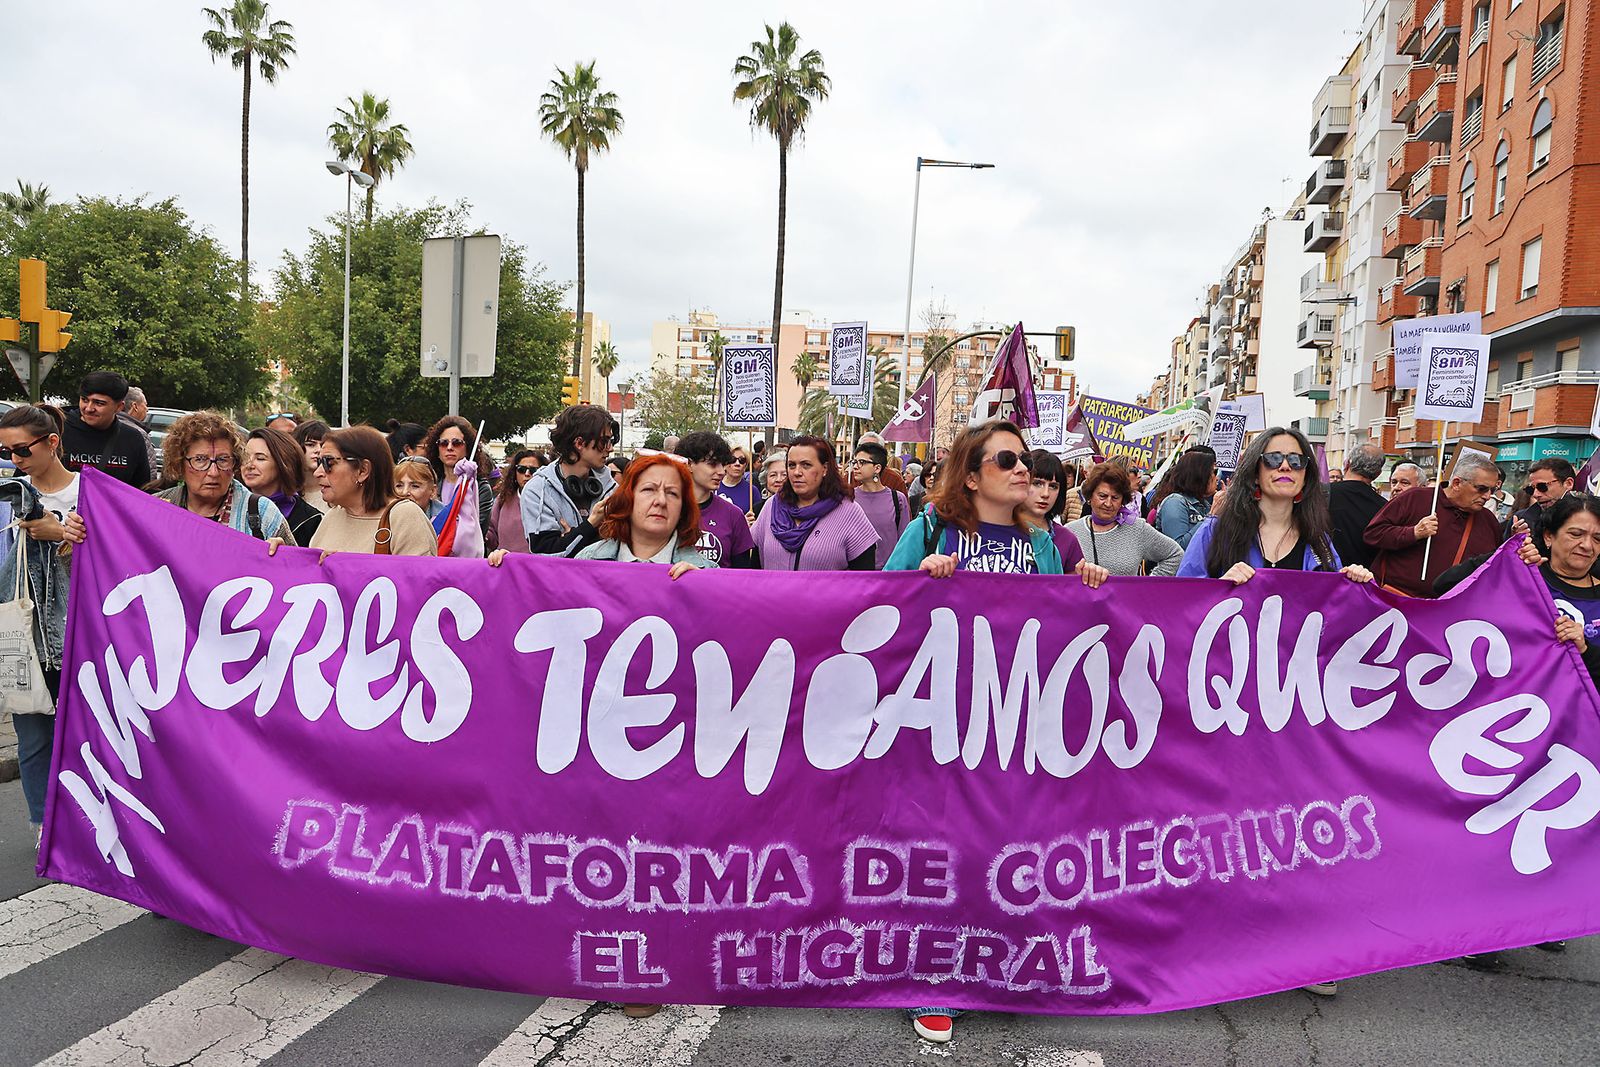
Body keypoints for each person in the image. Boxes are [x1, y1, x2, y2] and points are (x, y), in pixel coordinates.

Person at [881, 421, 1071, 1044]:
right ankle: (936, 977)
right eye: (1007, 460)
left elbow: (1057, 624)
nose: (1024, 470)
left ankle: (1002, 964)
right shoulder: (930, 530)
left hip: (1014, 715)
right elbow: (877, 606)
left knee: (1007, 838)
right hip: (940, 714)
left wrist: (1088, 589)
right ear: (969, 475)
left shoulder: (1041, 542)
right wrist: (919, 578)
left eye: (1025, 460)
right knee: (942, 843)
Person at [0, 404, 85, 846]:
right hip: (23, 638)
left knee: (88, 735)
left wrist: (65, 536)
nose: (15, 459)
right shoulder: (8, 498)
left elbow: (119, 561)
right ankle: (45, 827)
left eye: (21, 450)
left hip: (82, 636)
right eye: (6, 452)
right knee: (32, 740)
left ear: (52, 442)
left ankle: (88, 822)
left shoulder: (92, 493)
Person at [1178, 427, 1374, 588]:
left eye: (1296, 461)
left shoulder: (1318, 540)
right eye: (1273, 459)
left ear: (1305, 476)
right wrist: (1220, 589)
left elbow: (1334, 607)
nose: (1285, 466)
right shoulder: (1215, 532)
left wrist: (1357, 582)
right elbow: (1183, 602)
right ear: (1255, 473)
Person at [272, 426, 436, 557]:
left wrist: (348, 569)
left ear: (363, 470)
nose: (318, 472)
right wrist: (286, 556)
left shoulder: (405, 517)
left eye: (328, 462)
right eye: (319, 462)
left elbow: (417, 584)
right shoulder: (333, 516)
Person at [1364, 453, 1505, 597]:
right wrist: (1413, 533)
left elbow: (1497, 564)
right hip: (1394, 600)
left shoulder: (1488, 521)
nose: (1488, 496)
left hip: (1450, 607)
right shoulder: (1415, 498)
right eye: (1481, 489)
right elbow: (1373, 534)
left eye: (1492, 490)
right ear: (1456, 483)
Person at [562, 454, 716, 583]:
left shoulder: (707, 573)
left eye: (672, 493)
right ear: (628, 499)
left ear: (683, 508)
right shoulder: (587, 561)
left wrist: (704, 589)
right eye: (649, 489)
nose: (661, 501)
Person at [154, 412, 294, 543]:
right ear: (179, 464)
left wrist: (283, 554)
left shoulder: (263, 514)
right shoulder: (157, 508)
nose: (214, 472)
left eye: (223, 460)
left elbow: (295, 560)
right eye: (200, 460)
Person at [750, 435, 878, 571]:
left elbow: (863, 578)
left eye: (806, 465)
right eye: (791, 465)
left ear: (825, 469)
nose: (797, 472)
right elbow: (754, 571)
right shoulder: (771, 507)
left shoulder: (849, 512)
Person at [522, 403, 616, 556]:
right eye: (603, 441)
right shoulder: (538, 490)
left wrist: (572, 537)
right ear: (579, 443)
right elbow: (545, 552)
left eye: (611, 441)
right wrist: (592, 524)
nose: (610, 448)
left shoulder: (611, 487)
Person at [1065, 462, 1183, 577]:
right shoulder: (1071, 531)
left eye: (1115, 497)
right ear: (1090, 496)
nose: (1108, 503)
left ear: (1123, 500)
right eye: (1102, 496)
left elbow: (1175, 554)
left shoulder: (1137, 529)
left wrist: (1148, 585)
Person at [1020, 448, 1110, 585]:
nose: (1045, 493)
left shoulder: (1067, 539)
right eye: (1037, 483)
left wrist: (1091, 575)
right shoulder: (999, 529)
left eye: (1053, 486)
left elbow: (1073, 590)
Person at [676, 432, 756, 567]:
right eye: (712, 464)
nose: (721, 471)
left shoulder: (734, 515)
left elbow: (741, 574)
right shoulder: (667, 510)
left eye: (722, 464)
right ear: (689, 464)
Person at [61, 371, 152, 488]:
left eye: (99, 403)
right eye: (84, 400)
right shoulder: (59, 431)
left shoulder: (133, 439)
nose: (89, 408)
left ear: (119, 407)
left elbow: (140, 491)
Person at [242, 426, 323, 543]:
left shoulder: (311, 520)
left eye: (260, 458)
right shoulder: (231, 506)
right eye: (245, 457)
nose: (249, 465)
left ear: (284, 464)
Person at [422, 416, 494, 527]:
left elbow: (477, 529)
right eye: (443, 443)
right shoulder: (428, 483)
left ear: (468, 448)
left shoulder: (480, 488)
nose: (449, 447)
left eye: (457, 442)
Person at [1326, 443, 1388, 568]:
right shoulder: (1385, 507)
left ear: (1346, 464)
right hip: (1364, 575)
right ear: (1378, 474)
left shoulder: (1321, 494)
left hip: (1322, 572)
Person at [850, 441, 909, 569]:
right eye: (854, 462)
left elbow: (904, 541)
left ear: (877, 468)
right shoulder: (849, 498)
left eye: (862, 462)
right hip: (857, 573)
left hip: (889, 572)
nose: (855, 466)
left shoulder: (897, 499)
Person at [1151, 448, 1217, 550]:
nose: (1216, 478)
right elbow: (1179, 547)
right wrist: (1211, 516)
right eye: (1213, 472)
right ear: (1200, 475)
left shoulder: (1204, 504)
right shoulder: (1174, 502)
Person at [1505, 457, 1576, 549]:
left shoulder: (1588, 518)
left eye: (1542, 487)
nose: (1535, 494)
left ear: (1568, 483)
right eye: (1531, 489)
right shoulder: (1520, 520)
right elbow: (1502, 556)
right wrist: (1515, 543)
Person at [487, 448, 539, 554]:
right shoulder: (503, 499)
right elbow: (491, 535)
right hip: (506, 562)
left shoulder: (549, 501)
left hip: (537, 563)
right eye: (521, 469)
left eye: (533, 470)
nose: (527, 474)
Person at [293, 420, 331, 513]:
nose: (318, 450)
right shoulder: (285, 491)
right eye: (310, 445)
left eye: (322, 445)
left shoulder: (340, 492)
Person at [714, 446, 760, 520]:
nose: (737, 463)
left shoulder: (752, 491)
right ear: (725, 464)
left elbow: (760, 520)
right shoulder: (713, 487)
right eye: (732, 459)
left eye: (742, 460)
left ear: (745, 466)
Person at [394, 455, 446, 520]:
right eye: (399, 486)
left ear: (433, 491)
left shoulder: (448, 519)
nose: (405, 492)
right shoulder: (385, 516)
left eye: (415, 486)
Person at [755, 449, 786, 517]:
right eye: (773, 475)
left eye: (784, 475)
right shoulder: (757, 510)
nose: (778, 479)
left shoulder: (800, 508)